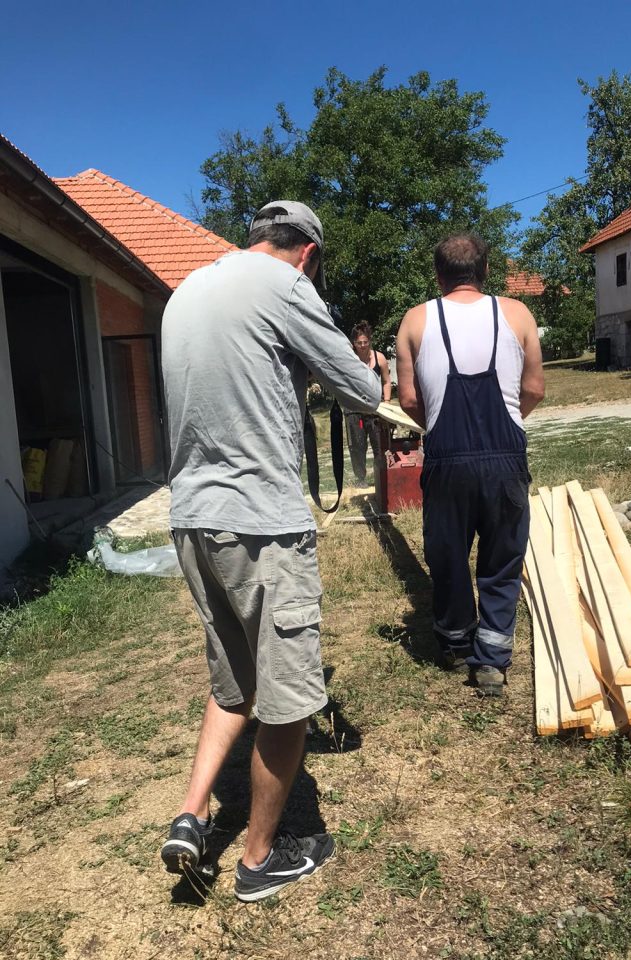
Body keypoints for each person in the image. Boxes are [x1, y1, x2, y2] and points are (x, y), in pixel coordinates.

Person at [160, 201, 381, 902]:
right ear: (308, 253)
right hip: (260, 524)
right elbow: (364, 392)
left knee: (235, 682)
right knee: (286, 701)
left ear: (256, 237)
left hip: (195, 521)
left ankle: (192, 815)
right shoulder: (287, 288)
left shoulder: (188, 290)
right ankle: (259, 861)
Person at [395, 234, 545, 698]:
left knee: (448, 557)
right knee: (502, 559)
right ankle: (492, 662)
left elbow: (408, 400)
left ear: (438, 275)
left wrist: (440, 424)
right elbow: (535, 388)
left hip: (446, 460)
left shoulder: (416, 320)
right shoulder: (517, 314)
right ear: (485, 272)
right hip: (505, 461)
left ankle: (457, 641)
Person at [345, 320, 391, 485]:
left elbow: (386, 382)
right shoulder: (349, 359)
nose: (363, 345)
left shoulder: (379, 358)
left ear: (370, 341)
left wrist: (386, 403)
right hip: (354, 409)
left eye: (365, 342)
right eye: (359, 343)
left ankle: (383, 475)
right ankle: (360, 479)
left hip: (376, 409)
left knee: (380, 445)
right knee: (357, 446)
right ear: (354, 343)